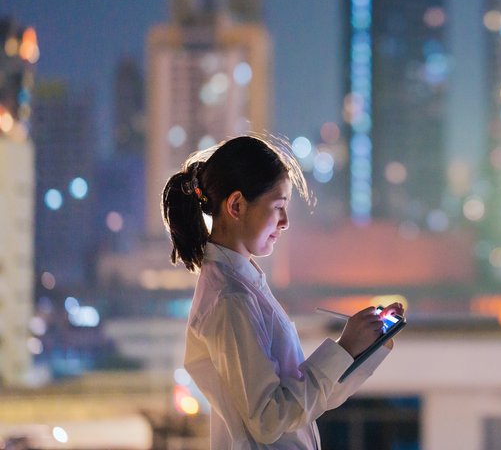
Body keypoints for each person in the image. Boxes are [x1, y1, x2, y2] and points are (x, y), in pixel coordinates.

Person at [161, 134, 403, 449]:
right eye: (278, 207)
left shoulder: (241, 286)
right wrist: (343, 349)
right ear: (236, 205)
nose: (285, 222)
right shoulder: (230, 299)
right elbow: (269, 418)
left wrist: (361, 348)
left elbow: (306, 402)